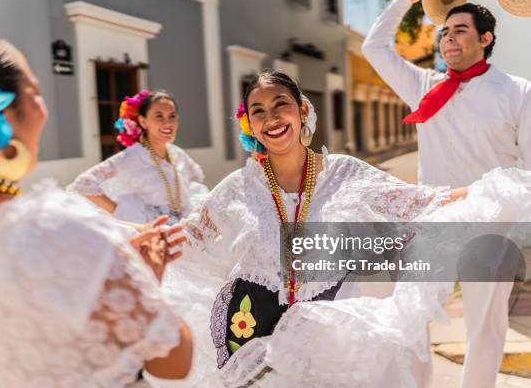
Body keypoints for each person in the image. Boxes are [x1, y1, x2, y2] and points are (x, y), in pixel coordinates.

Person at [146, 70, 531, 387]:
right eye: (258, 111)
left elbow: (420, 202)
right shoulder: (238, 186)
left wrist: (495, 190)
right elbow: (186, 237)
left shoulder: (344, 173)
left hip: (326, 336)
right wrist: (122, 239)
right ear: (251, 124)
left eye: (281, 104)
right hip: (248, 331)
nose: (272, 118)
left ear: (301, 111)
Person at [0, 0, 192, 386]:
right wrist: (139, 281)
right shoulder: (57, 229)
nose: (44, 110)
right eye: (35, 91)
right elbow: (173, 362)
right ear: (3, 114)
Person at [362, 0, 531, 386]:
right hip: (431, 221)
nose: (448, 39)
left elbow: (527, 169)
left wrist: (478, 195)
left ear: (486, 38)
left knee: (485, 327)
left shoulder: (518, 93)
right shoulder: (423, 87)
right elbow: (373, 47)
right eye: (445, 32)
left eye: (460, 31)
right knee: (410, 316)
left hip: (491, 222)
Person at [69, 90, 208, 224]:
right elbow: (83, 184)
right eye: (159, 116)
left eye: (172, 116)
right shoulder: (131, 157)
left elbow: (195, 180)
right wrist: (124, 213)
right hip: (153, 237)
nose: (168, 123)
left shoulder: (178, 154)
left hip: (182, 232)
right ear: (143, 121)